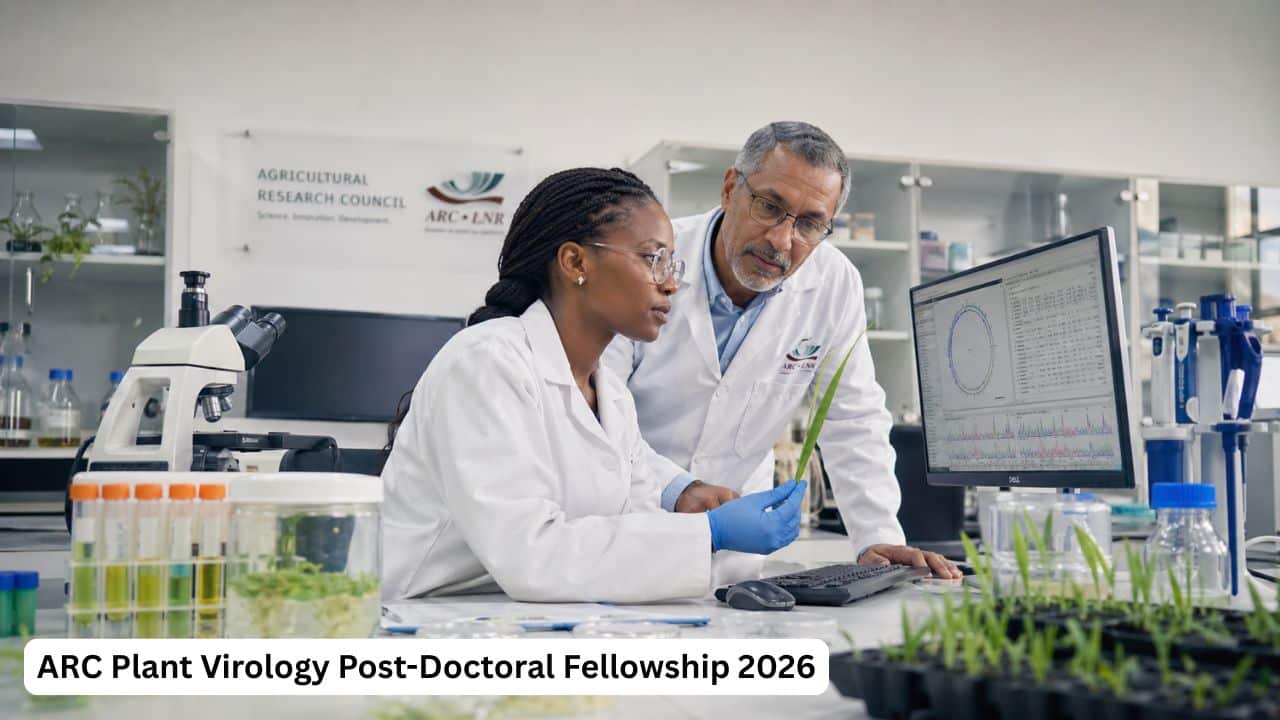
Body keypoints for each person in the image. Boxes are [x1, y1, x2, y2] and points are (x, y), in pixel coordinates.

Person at [380, 167, 807, 602]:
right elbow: (532, 555)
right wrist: (708, 534)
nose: (671, 283)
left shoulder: (610, 394)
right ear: (575, 262)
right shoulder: (486, 363)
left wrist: (691, 506)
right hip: (428, 619)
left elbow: (629, 514)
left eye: (671, 262)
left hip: (525, 615)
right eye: (651, 258)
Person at [603, 123, 961, 579]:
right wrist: (676, 488)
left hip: (736, 553)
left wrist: (877, 536)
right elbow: (596, 407)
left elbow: (853, 420)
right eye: (770, 207)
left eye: (810, 224)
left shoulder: (834, 282)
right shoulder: (654, 258)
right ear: (731, 188)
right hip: (627, 519)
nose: (781, 240)